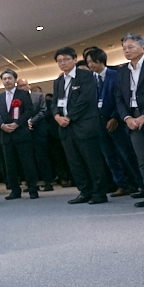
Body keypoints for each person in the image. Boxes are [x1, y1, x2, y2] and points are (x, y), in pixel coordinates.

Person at [51, 47, 108, 204]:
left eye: (66, 59)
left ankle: (99, 193)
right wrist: (57, 117)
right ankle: (85, 191)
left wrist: (69, 117)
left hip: (84, 125)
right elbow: (54, 103)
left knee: (93, 161)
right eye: (59, 61)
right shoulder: (58, 81)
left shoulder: (86, 76)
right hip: (65, 128)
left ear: (75, 59)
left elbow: (86, 100)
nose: (63, 63)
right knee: (75, 162)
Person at [85, 47, 142, 197]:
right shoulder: (89, 79)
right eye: (88, 62)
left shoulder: (115, 75)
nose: (90, 65)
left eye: (92, 61)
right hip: (99, 123)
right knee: (110, 156)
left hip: (117, 121)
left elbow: (121, 98)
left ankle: (139, 183)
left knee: (127, 154)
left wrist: (115, 117)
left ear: (101, 60)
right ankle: (122, 184)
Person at [114, 33, 144, 207]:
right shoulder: (121, 71)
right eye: (124, 48)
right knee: (143, 159)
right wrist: (127, 118)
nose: (127, 51)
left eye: (131, 47)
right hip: (132, 119)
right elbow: (118, 97)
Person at [0, 69, 40, 200]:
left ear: (14, 80)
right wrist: (2, 125)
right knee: (10, 165)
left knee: (28, 163)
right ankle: (14, 190)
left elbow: (29, 110)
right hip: (6, 136)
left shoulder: (23, 94)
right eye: (4, 79)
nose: (7, 81)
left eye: (9, 78)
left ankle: (33, 189)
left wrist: (17, 124)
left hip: (21, 133)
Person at [18, 78, 54, 191]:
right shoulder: (17, 99)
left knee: (42, 157)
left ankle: (48, 182)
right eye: (20, 86)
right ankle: (32, 184)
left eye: (24, 85)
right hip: (24, 132)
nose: (22, 88)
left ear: (28, 85)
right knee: (28, 159)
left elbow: (43, 111)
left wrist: (31, 122)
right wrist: (23, 123)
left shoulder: (38, 96)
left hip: (38, 130)